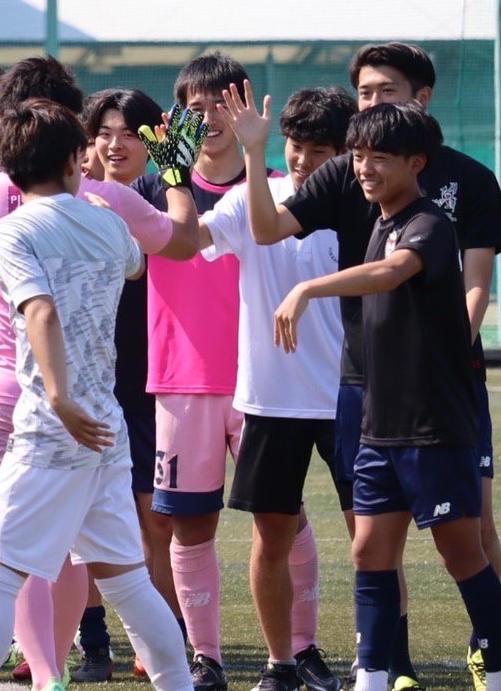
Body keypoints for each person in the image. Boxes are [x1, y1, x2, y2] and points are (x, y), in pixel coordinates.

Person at [0, 57, 200, 690]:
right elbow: (148, 260)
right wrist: (174, 175)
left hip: (45, 424)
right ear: (75, 159)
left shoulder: (7, 229)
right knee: (126, 579)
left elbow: (37, 309)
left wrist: (59, 396)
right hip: (106, 427)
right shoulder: (109, 218)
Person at [235, 42, 501, 691]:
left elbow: (396, 274)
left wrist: (309, 290)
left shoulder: (434, 216)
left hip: (434, 408)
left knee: (463, 546)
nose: (362, 168)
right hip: (370, 404)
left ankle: (493, 664)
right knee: (367, 548)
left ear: (417, 158)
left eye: (377, 158)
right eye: (357, 155)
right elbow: (266, 229)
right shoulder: (365, 202)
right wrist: (252, 153)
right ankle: (375, 674)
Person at [195, 87, 356, 691]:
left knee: (371, 535)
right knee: (271, 536)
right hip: (270, 397)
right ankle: (281, 662)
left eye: (320, 150)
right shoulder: (249, 199)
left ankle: (381, 659)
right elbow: (187, 242)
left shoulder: (363, 205)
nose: (303, 161)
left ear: (346, 153)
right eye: (295, 147)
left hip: (350, 394)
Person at [132, 52, 253, 691]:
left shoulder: (272, 185)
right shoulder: (155, 192)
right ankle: (204, 657)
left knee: (282, 518)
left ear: (244, 105)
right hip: (181, 379)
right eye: (194, 107)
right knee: (188, 522)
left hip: (266, 378)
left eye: (220, 103)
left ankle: (299, 650)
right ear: (176, 115)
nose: (208, 118)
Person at [78, 87, 178, 680]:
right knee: (84, 524)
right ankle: (95, 646)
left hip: (151, 381)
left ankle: (160, 642)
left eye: (129, 133)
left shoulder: (162, 200)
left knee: (153, 522)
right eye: (103, 134)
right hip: (90, 385)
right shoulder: (75, 201)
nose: (115, 145)